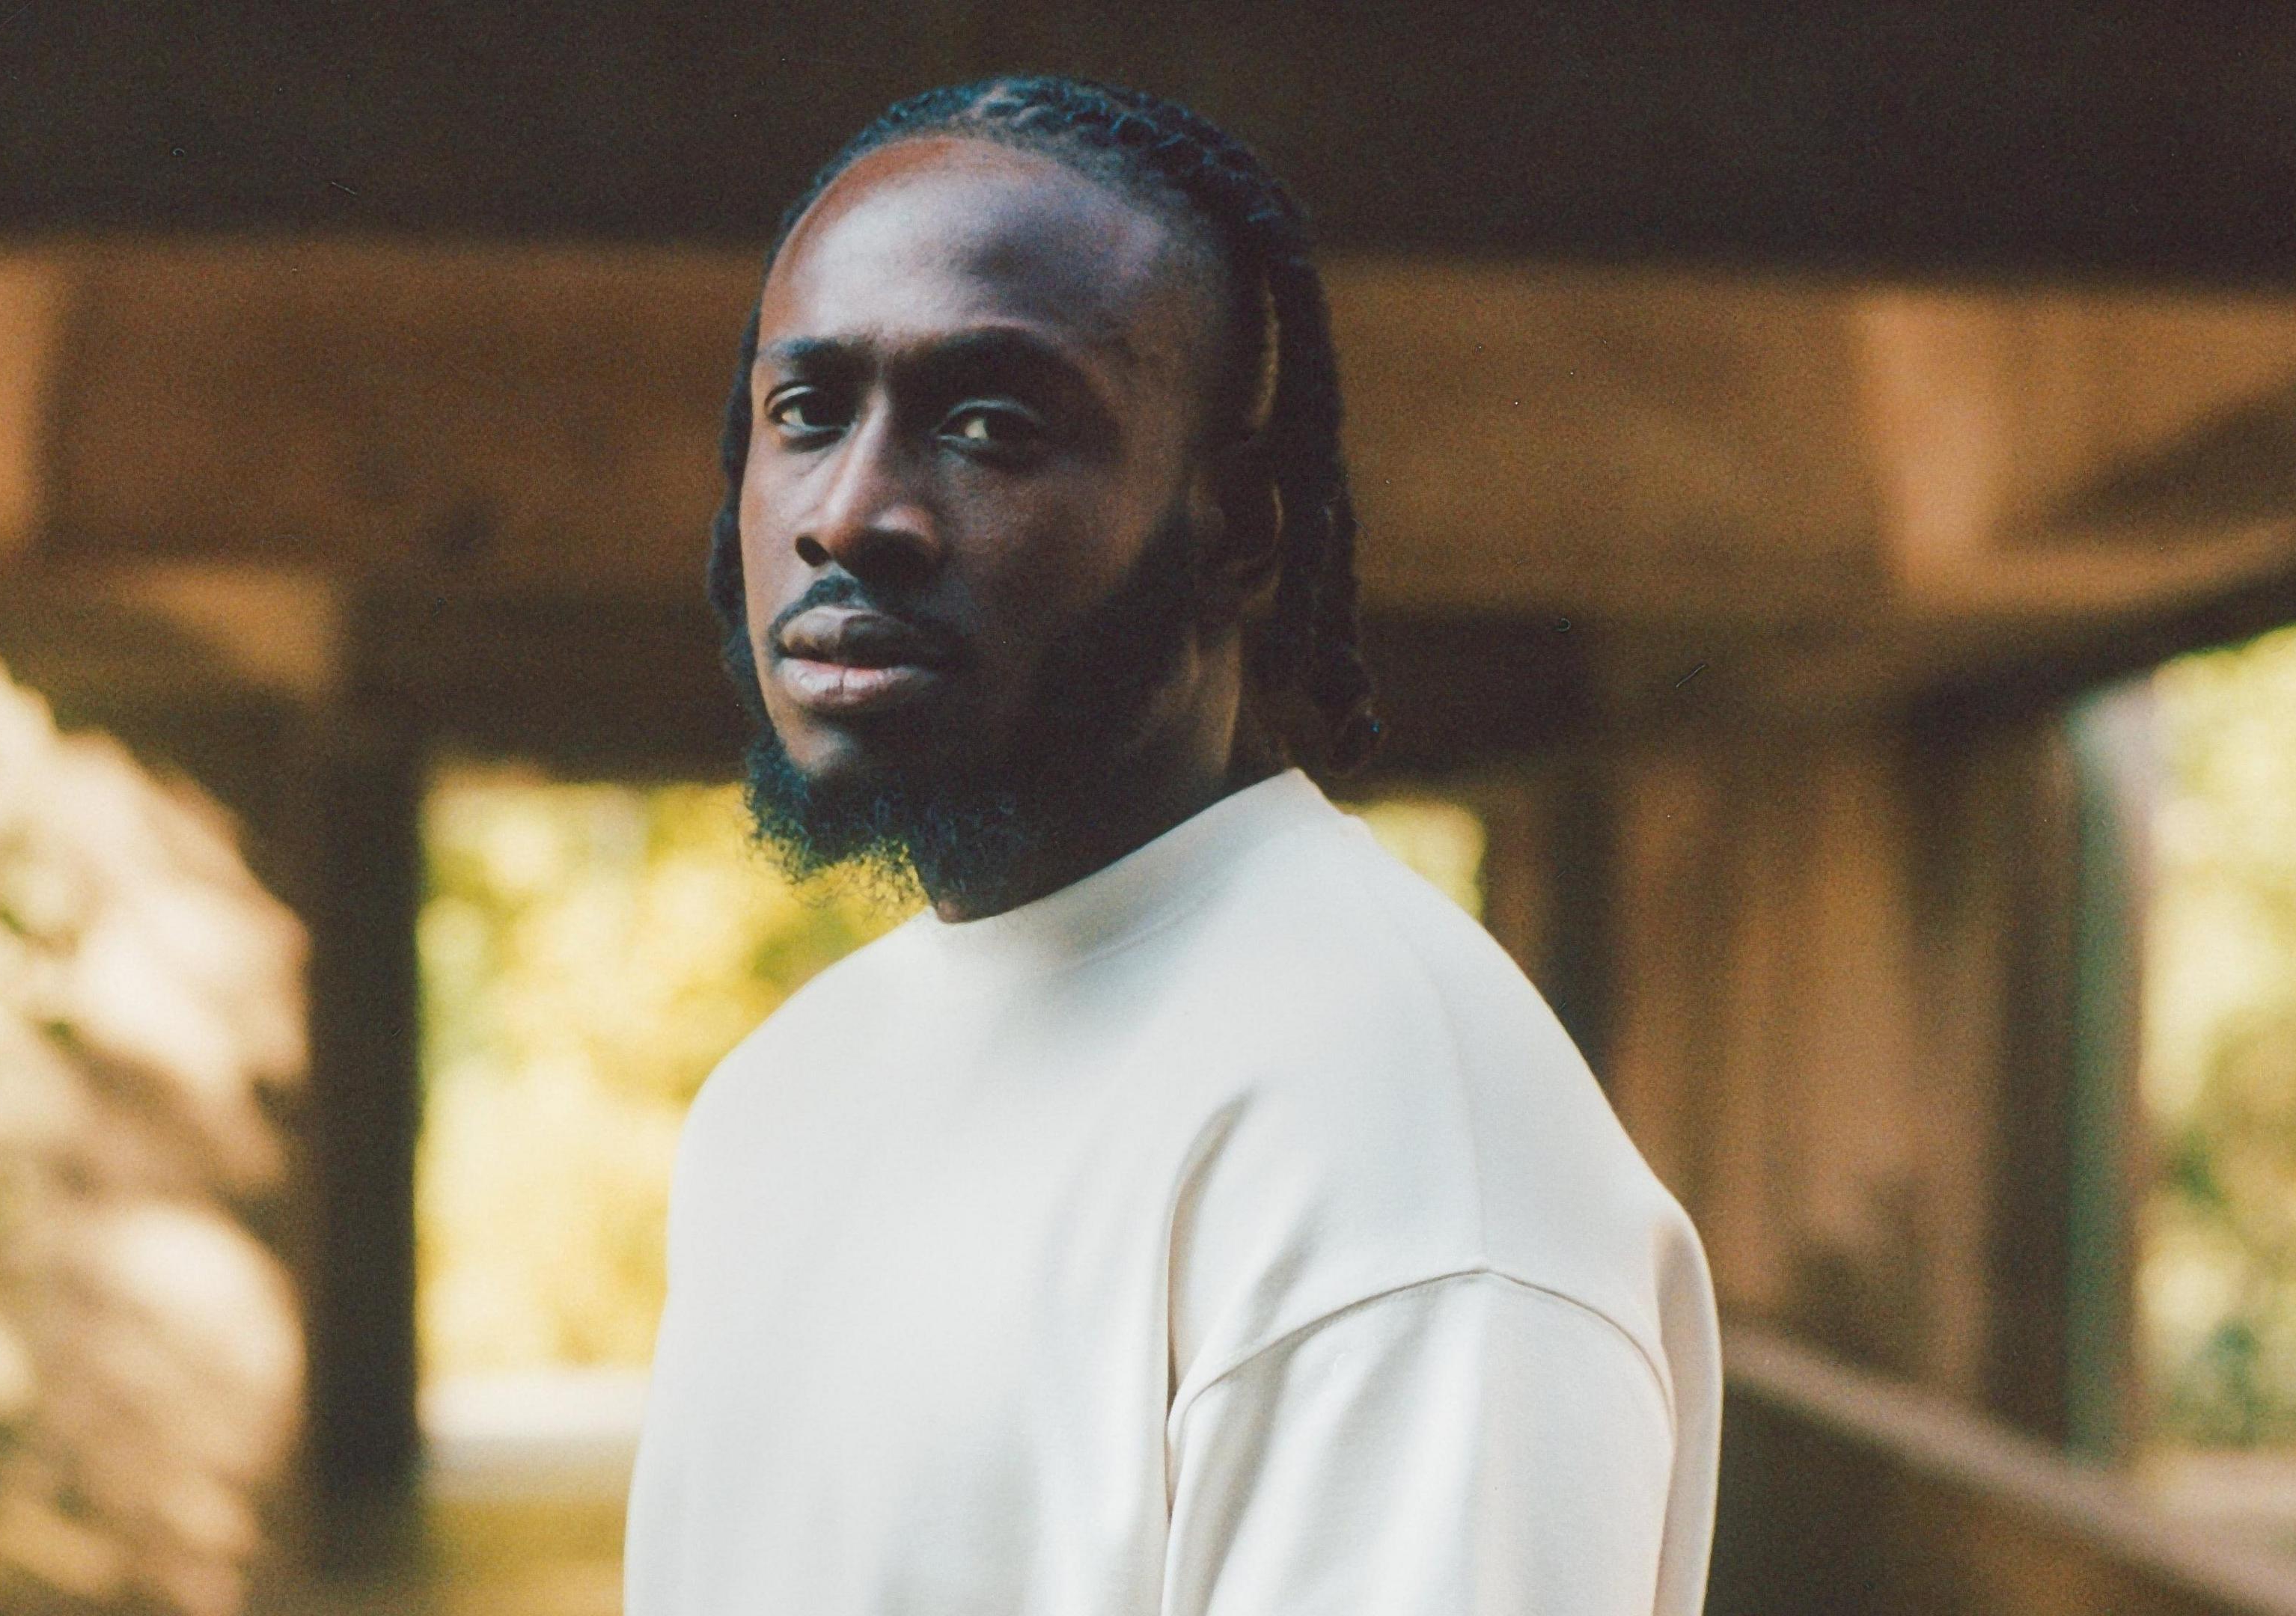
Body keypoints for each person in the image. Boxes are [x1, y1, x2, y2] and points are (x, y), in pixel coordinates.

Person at [625, 76, 1719, 1615]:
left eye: (992, 427)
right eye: (805, 414)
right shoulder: (777, 1098)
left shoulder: (1391, 1143)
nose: (853, 512)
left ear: (1239, 531)